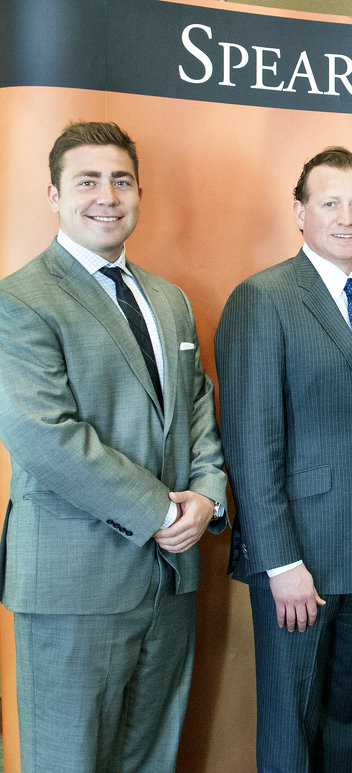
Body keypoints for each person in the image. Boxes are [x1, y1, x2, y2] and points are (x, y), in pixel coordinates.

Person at [0, 121, 227, 772]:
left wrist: (208, 497)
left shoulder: (168, 300)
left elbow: (197, 411)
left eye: (121, 180)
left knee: (152, 759)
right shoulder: (20, 300)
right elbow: (46, 438)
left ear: (138, 192)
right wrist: (164, 513)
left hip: (170, 584)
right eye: (88, 181)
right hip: (75, 587)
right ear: (54, 194)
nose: (107, 195)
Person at [215, 146, 352, 772]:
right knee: (291, 727)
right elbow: (250, 445)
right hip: (297, 561)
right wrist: (281, 564)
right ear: (300, 212)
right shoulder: (263, 298)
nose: (346, 216)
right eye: (330, 202)